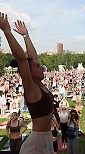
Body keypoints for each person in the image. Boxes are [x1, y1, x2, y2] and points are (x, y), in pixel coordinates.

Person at [0, 14, 54, 153]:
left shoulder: (39, 85)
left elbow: (32, 58)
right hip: (37, 143)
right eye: (37, 67)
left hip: (45, 137)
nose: (41, 67)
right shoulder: (31, 88)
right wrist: (7, 31)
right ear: (28, 73)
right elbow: (23, 60)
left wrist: (26, 36)